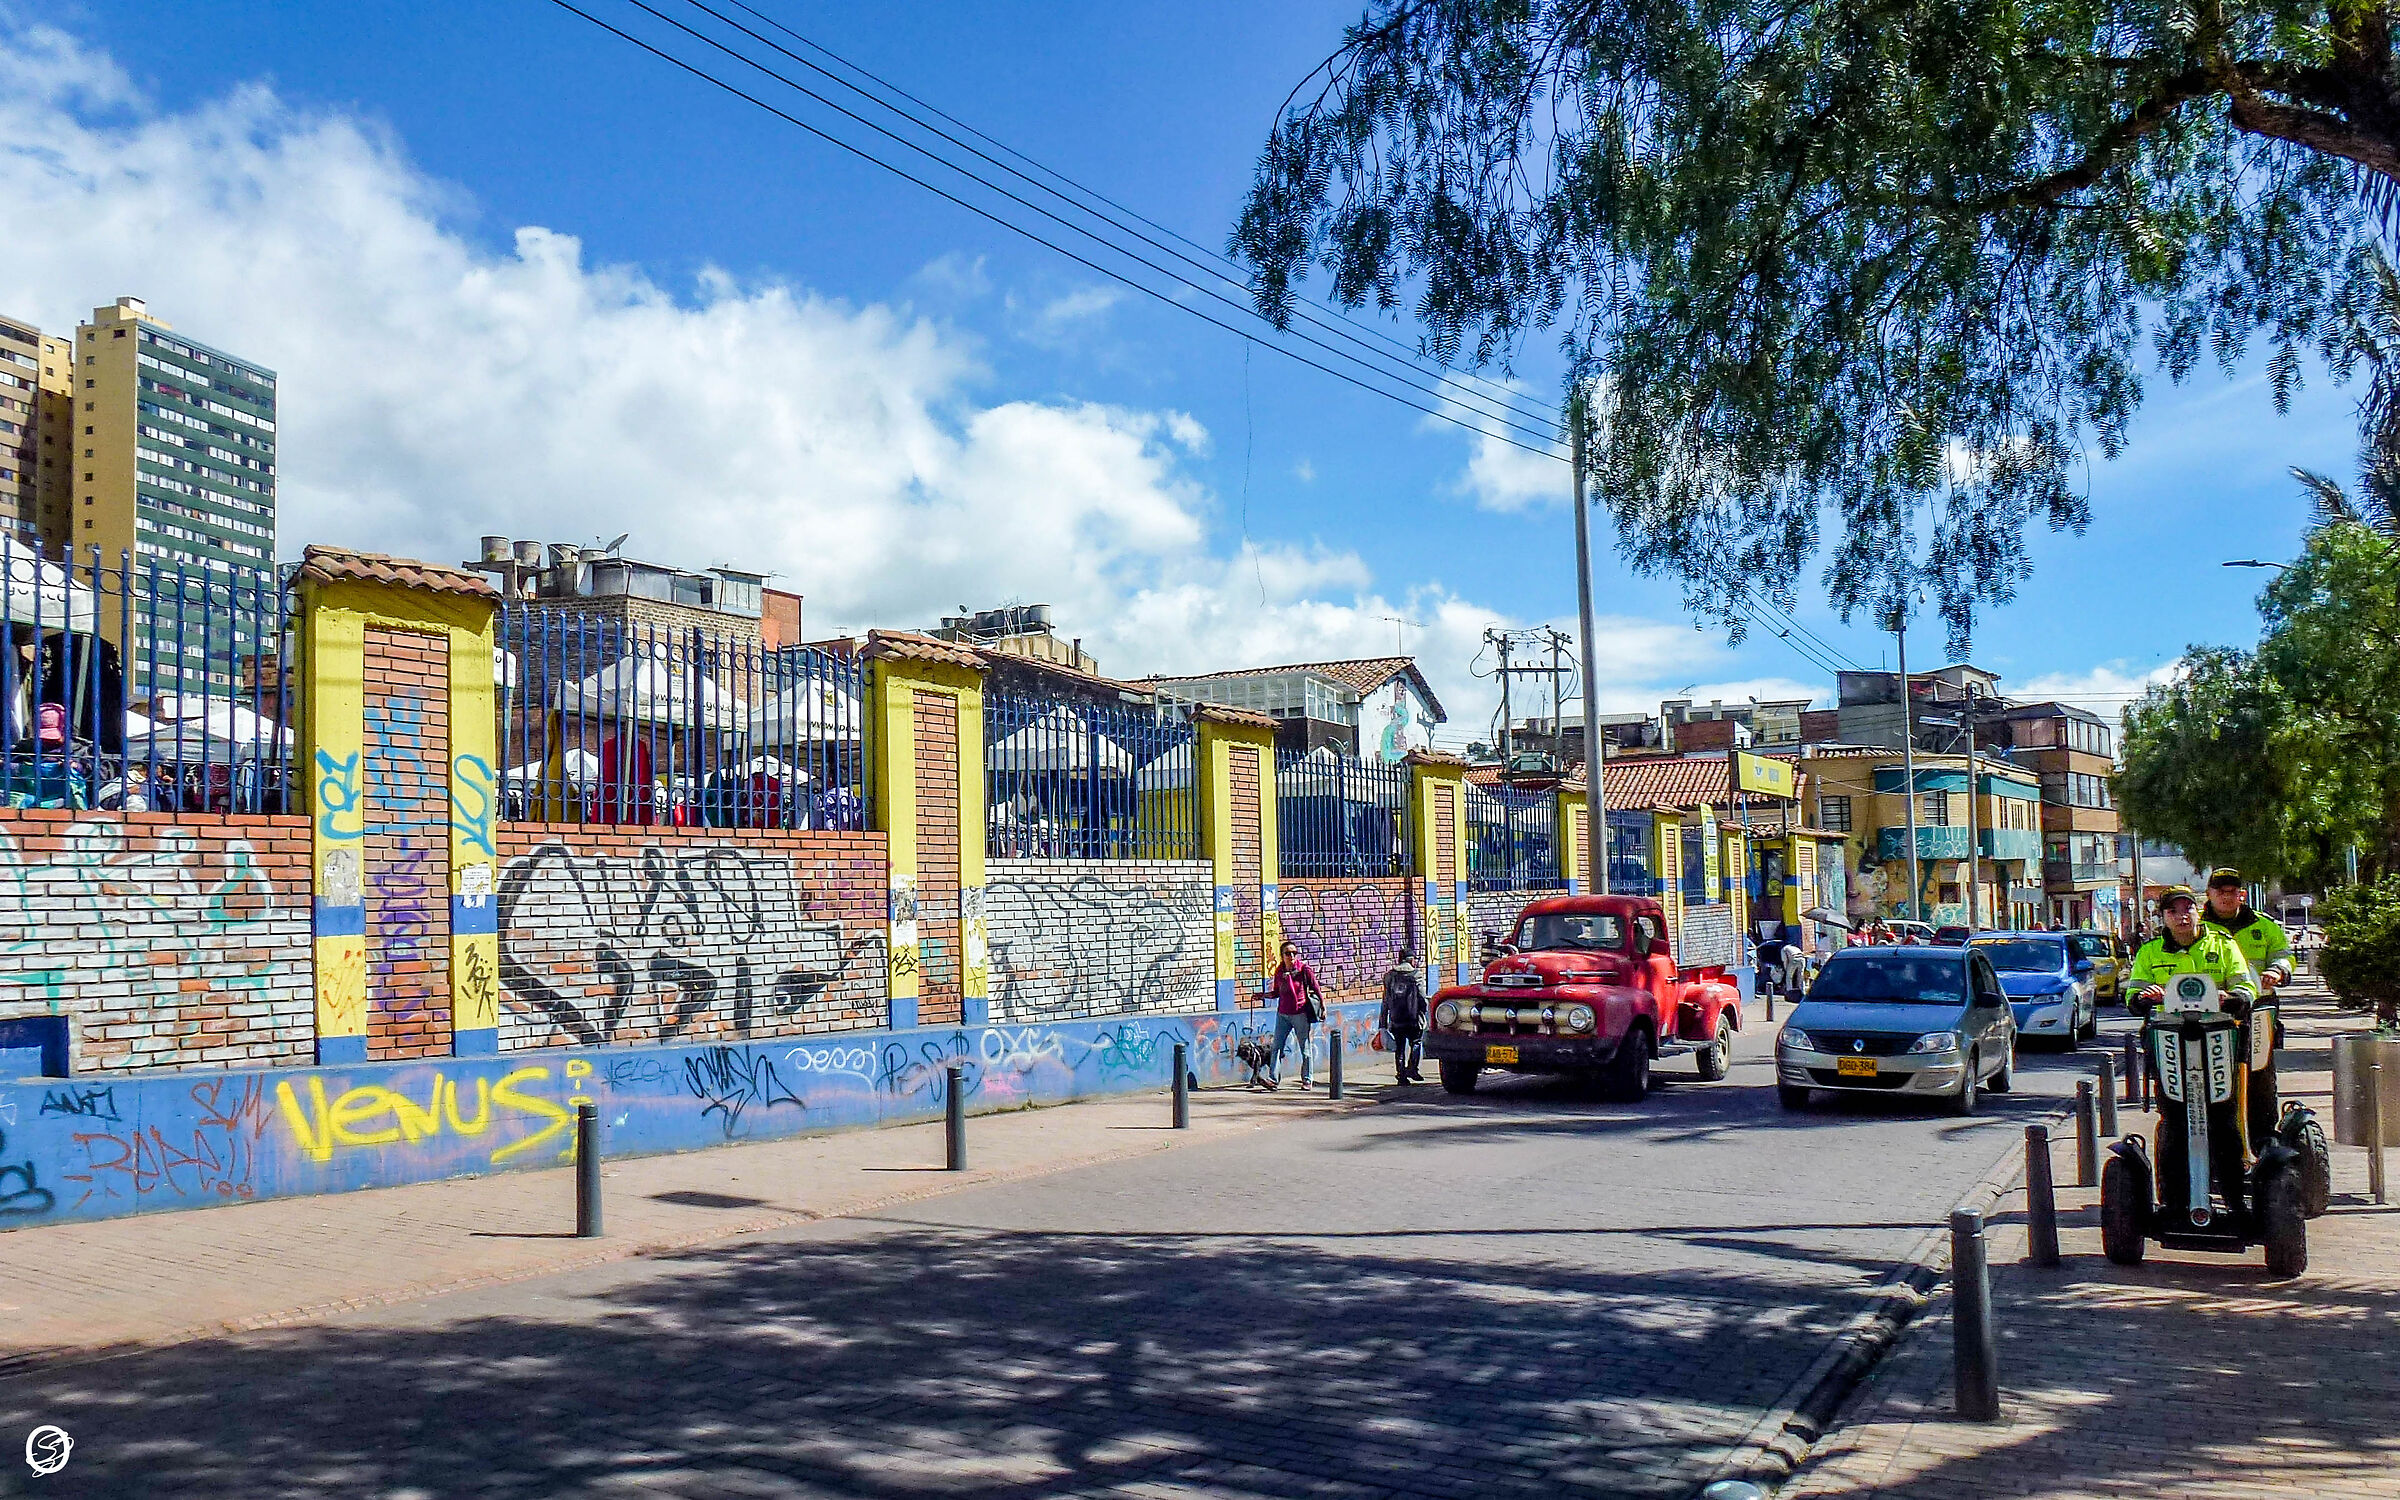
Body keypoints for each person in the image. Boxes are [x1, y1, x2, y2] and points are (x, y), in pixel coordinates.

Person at [1263, 941, 1325, 1089]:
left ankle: (1307, 1079)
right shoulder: (1279, 971)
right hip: (1283, 1014)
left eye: (1294, 953)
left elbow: (1316, 988)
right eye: (1288, 953)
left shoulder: (1304, 969)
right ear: (1282, 956)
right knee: (1277, 1047)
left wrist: (1323, 1007)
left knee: (1305, 1047)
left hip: (1300, 1013)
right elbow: (1277, 992)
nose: (1291, 956)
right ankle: (1273, 1079)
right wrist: (1262, 995)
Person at [1378, 947, 1429, 1084]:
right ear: (1411, 960)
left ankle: (1401, 1075)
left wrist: (1383, 1022)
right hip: (1413, 1018)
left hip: (1396, 1018)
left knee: (1399, 1047)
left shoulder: (1389, 976)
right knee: (1416, 1043)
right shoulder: (1417, 975)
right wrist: (1423, 1012)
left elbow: (1385, 1000)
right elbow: (1422, 997)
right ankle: (1413, 1069)